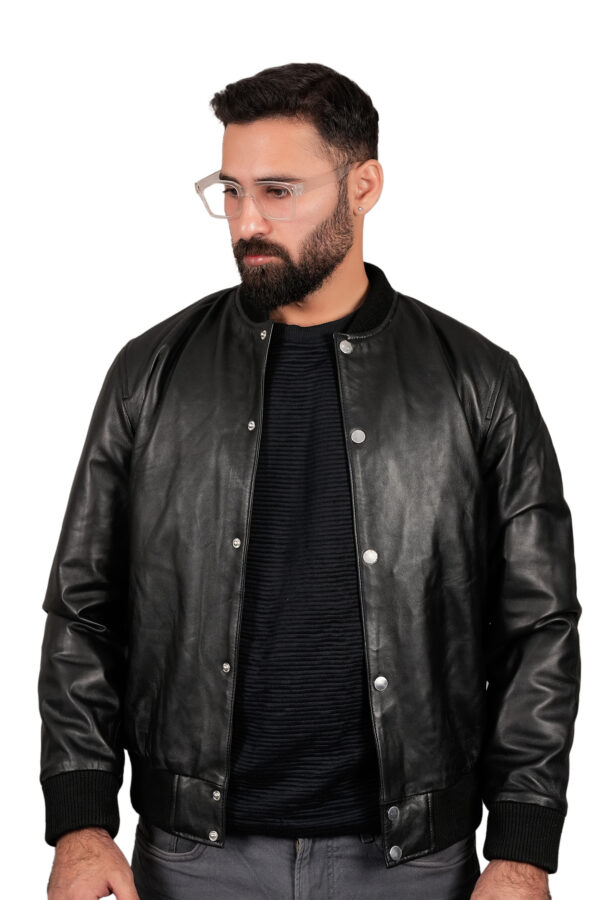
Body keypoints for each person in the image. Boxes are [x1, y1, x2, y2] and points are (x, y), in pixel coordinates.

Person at [39, 62, 581, 900]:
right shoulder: (151, 373)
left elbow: (537, 628)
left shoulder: (477, 382)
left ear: (364, 187)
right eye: (230, 190)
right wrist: (80, 823)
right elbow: (84, 609)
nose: (247, 220)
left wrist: (521, 848)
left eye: (279, 191)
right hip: (193, 860)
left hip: (412, 864)